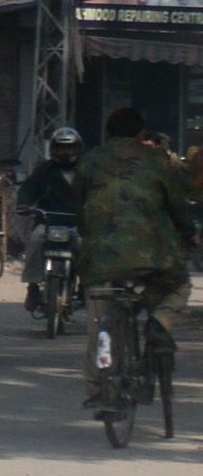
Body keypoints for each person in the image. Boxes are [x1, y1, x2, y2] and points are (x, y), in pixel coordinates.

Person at [75, 107, 195, 405]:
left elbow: (78, 204)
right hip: (151, 262)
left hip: (100, 261)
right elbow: (178, 205)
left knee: (99, 322)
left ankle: (97, 389)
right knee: (179, 285)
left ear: (107, 133)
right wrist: (188, 231)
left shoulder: (89, 161)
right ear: (141, 134)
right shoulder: (157, 161)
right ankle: (159, 322)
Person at [17, 127, 82, 312]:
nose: (65, 152)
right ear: (53, 148)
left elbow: (97, 194)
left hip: (76, 224)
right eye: (61, 147)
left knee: (86, 248)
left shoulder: (86, 170)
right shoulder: (44, 170)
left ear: (78, 148)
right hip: (48, 222)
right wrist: (24, 204)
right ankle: (33, 286)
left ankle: (85, 287)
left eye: (70, 148)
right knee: (35, 241)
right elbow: (28, 188)